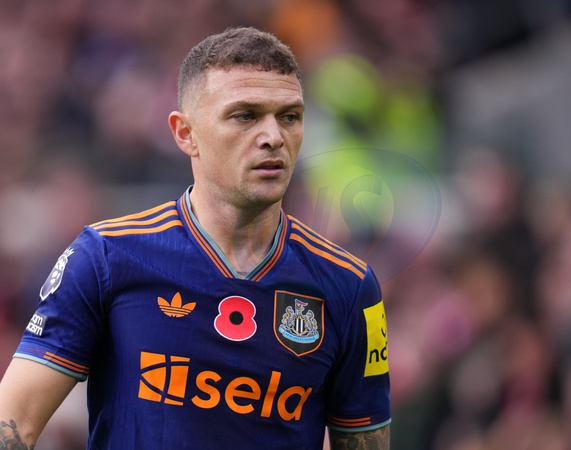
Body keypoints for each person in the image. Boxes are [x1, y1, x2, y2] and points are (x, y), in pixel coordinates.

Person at [0, 27, 390, 450]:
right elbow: (14, 421)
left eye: (289, 117)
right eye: (245, 116)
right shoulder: (106, 258)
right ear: (185, 133)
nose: (274, 136)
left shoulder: (350, 287)